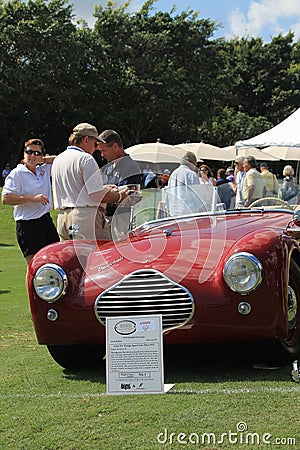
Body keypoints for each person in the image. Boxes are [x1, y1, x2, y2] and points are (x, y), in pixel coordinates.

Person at [51, 123, 129, 241]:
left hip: (63, 218)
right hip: (84, 217)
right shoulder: (86, 158)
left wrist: (103, 188)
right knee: (99, 256)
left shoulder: (58, 159)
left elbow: (78, 187)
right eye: (95, 143)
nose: (96, 148)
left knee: (71, 258)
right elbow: (96, 195)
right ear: (86, 140)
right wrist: (119, 196)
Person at [2, 138, 59, 265]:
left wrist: (43, 160)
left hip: (45, 221)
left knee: (55, 261)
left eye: (37, 153)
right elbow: (6, 198)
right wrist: (33, 199)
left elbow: (61, 159)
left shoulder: (43, 170)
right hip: (27, 225)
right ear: (24, 154)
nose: (32, 155)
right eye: (29, 152)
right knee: (35, 266)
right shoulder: (17, 174)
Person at [97, 129, 142, 239]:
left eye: (104, 151)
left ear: (115, 146)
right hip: (107, 218)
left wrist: (108, 196)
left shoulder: (130, 166)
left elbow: (131, 197)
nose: (102, 155)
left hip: (122, 219)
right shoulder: (108, 168)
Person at [165, 151, 204, 216]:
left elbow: (168, 194)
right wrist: (203, 209)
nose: (196, 165)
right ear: (191, 162)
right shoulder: (191, 174)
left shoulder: (173, 174)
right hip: (189, 213)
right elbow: (197, 196)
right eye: (195, 163)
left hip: (174, 212)